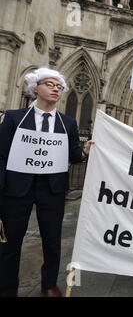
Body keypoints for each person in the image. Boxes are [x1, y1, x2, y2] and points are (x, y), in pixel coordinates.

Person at [0, 67, 94, 297]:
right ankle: (7, 288)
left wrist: (85, 150)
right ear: (35, 88)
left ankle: (49, 284)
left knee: (52, 240)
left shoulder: (67, 122)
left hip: (52, 189)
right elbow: (1, 155)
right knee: (10, 242)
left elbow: (73, 154)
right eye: (50, 84)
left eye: (59, 87)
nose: (56, 89)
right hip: (16, 188)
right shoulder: (14, 117)